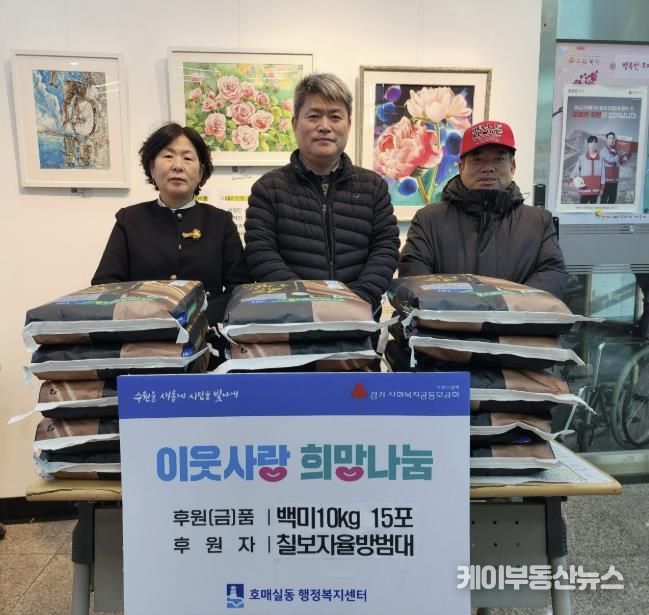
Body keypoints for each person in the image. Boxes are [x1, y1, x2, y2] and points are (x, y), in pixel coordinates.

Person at [244, 73, 400, 317]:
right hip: (294, 319)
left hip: (359, 318)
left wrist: (357, 299)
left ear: (348, 124)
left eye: (335, 117)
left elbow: (386, 248)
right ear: (295, 123)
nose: (325, 126)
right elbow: (261, 255)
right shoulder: (268, 188)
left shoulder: (373, 186)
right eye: (314, 116)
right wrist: (306, 302)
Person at [92, 123, 248, 325]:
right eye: (168, 156)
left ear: (201, 172)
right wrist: (144, 315)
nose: (177, 166)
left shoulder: (220, 221)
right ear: (152, 167)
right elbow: (105, 285)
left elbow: (240, 288)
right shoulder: (129, 220)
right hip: (142, 331)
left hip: (207, 331)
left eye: (188, 158)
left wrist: (198, 320)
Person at [398, 120, 568, 299]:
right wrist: (465, 309)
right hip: (448, 317)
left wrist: (506, 306)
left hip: (518, 317)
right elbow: (414, 278)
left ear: (512, 167)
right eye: (477, 159)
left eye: (498, 159)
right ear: (461, 167)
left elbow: (552, 273)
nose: (488, 168)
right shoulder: (429, 220)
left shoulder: (539, 222)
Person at [570, 135, 605, 204]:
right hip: (584, 191)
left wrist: (602, 188)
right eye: (591, 142)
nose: (593, 144)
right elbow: (575, 171)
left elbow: (603, 175)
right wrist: (571, 181)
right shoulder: (581, 158)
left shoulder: (601, 159)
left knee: (593, 210)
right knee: (582, 209)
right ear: (588, 144)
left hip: (595, 191)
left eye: (595, 142)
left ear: (597, 144)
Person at [600, 131, 630, 204]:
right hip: (605, 181)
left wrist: (627, 156)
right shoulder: (603, 151)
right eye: (610, 138)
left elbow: (621, 162)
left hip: (615, 181)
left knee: (612, 201)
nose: (612, 140)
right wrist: (619, 154)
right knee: (603, 201)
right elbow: (610, 160)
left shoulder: (616, 151)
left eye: (613, 138)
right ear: (606, 139)